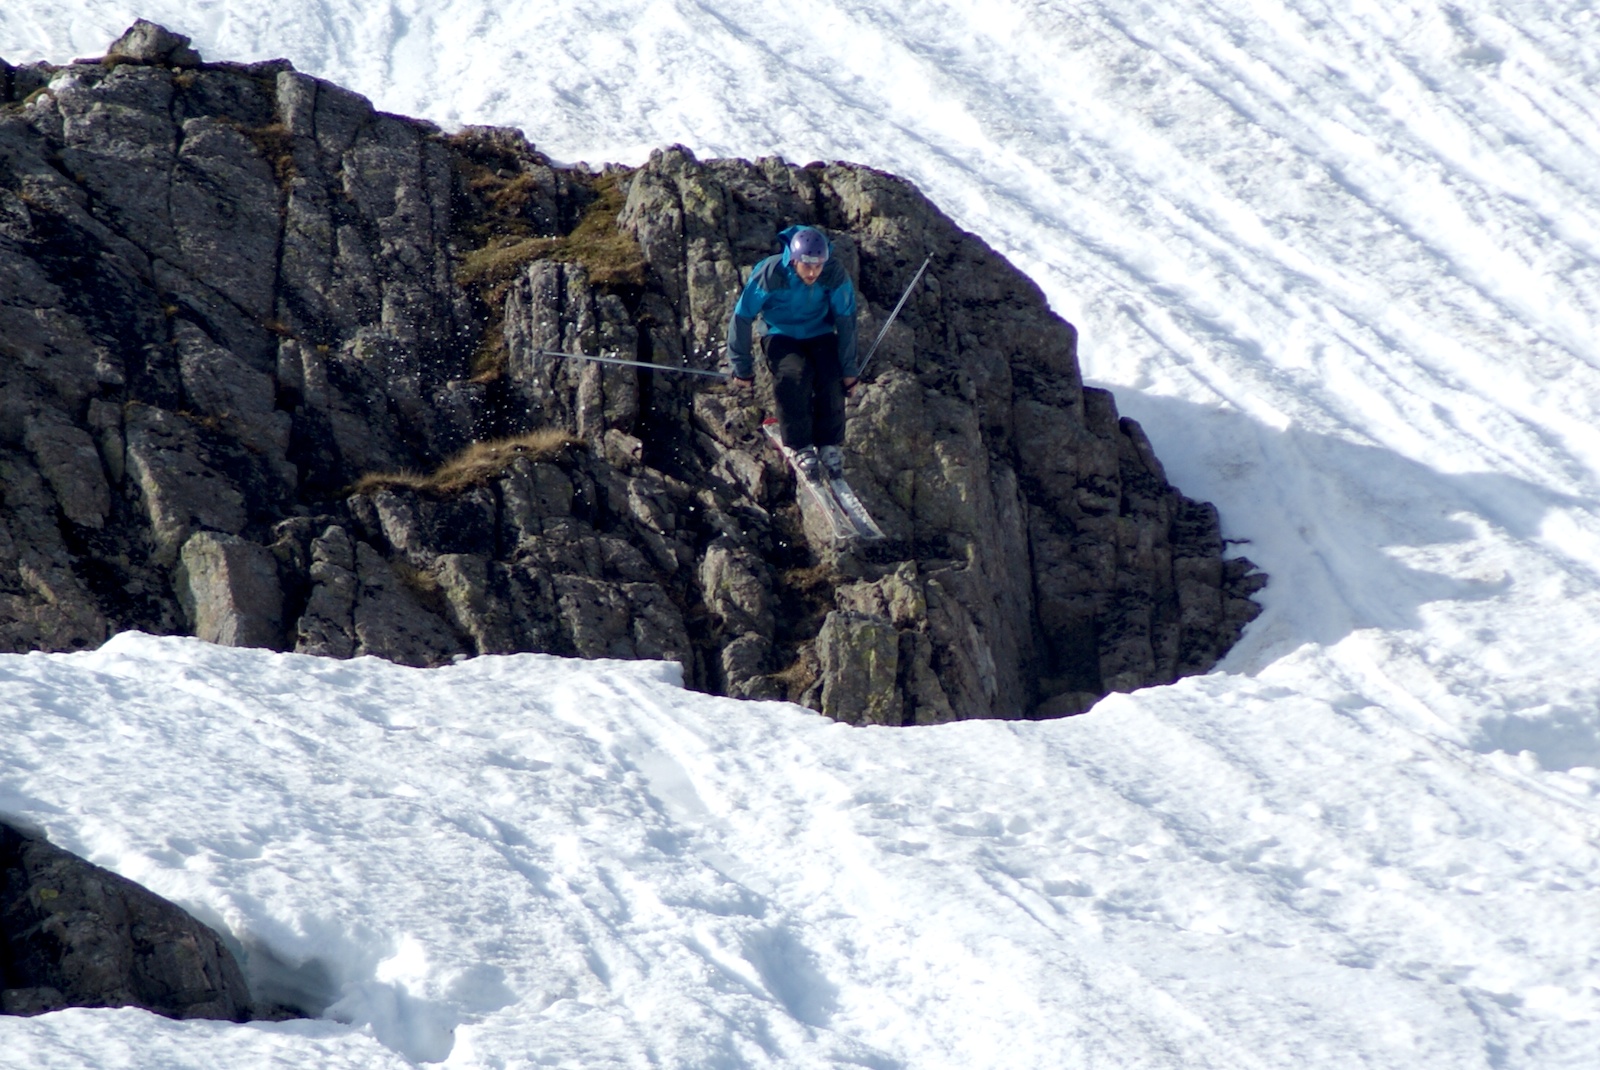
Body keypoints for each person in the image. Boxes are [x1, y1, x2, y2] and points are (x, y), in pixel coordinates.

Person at [727, 225, 858, 480]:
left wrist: (849, 370)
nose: (813, 272)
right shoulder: (771, 273)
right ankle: (800, 444)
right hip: (780, 334)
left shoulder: (834, 273)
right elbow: (742, 316)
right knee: (793, 376)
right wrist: (742, 368)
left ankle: (829, 443)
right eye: (807, 266)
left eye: (818, 266)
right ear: (794, 260)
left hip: (820, 332)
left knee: (831, 376)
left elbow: (846, 319)